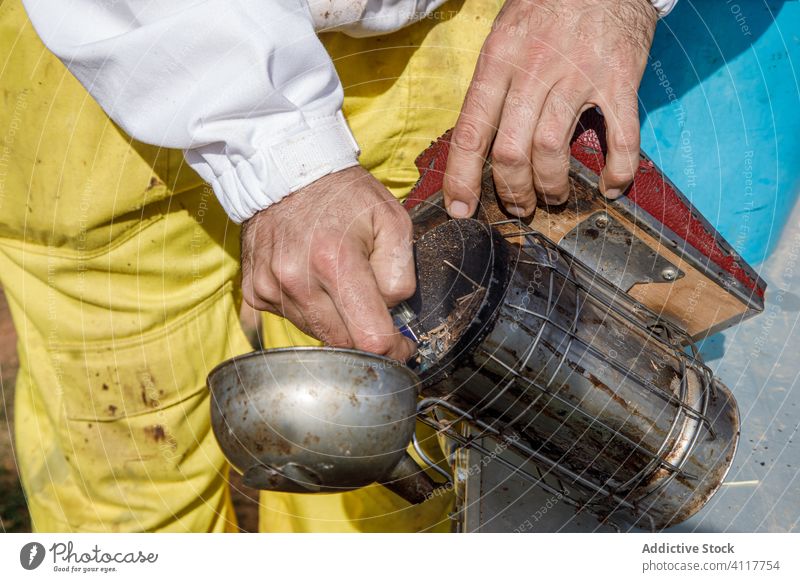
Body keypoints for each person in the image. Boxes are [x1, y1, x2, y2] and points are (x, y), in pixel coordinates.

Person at [0, 0, 674, 532]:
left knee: (401, 478)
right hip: (111, 44)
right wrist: (279, 153)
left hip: (445, 35)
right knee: (127, 488)